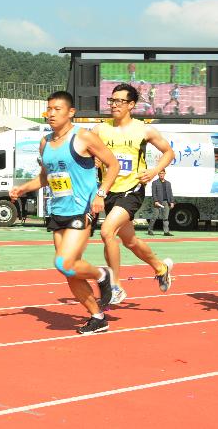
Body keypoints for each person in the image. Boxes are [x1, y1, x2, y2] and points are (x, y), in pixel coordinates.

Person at [10, 91, 119, 334]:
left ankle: (103, 274)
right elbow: (46, 178)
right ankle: (98, 317)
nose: (51, 113)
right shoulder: (45, 142)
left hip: (82, 208)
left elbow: (113, 165)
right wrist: (23, 188)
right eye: (49, 109)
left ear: (71, 112)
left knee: (64, 262)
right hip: (58, 210)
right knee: (69, 271)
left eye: (57, 109)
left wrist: (101, 194)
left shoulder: (83, 137)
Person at [93, 83, 175, 305]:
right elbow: (86, 152)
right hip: (109, 190)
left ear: (131, 105)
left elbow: (168, 152)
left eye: (119, 101)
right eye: (112, 100)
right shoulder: (100, 129)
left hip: (133, 189)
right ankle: (161, 267)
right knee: (130, 242)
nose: (114, 105)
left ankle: (115, 286)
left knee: (107, 231)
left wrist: (155, 170)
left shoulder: (144, 129)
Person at [148, 170, 174, 236]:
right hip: (158, 202)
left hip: (166, 202)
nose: (161, 174)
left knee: (165, 218)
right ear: (158, 174)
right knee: (154, 217)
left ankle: (166, 232)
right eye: (160, 173)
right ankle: (150, 230)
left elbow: (170, 193)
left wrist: (172, 202)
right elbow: (153, 193)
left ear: (165, 174)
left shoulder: (168, 183)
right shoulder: (155, 183)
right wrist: (155, 201)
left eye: (162, 173)